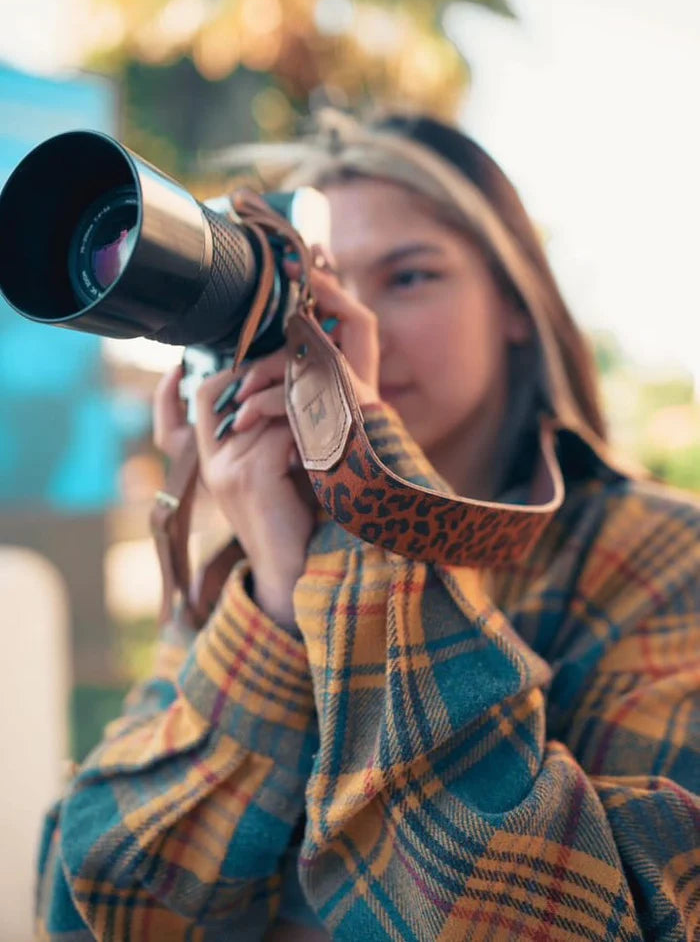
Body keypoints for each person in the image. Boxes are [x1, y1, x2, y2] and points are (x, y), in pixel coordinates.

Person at [36, 110, 699, 942]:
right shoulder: (259, 552)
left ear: (516, 304)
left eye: (409, 277)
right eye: (314, 291)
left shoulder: (663, 553)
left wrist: (363, 510)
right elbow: (80, 906)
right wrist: (279, 591)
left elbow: (592, 922)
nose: (351, 327)